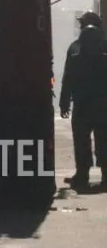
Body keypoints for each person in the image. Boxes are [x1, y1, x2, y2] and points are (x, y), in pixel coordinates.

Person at [60, 11, 107, 190]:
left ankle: (82, 175)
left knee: (81, 141)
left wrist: (64, 102)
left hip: (82, 105)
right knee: (104, 140)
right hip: (103, 106)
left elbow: (68, 78)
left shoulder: (75, 50)